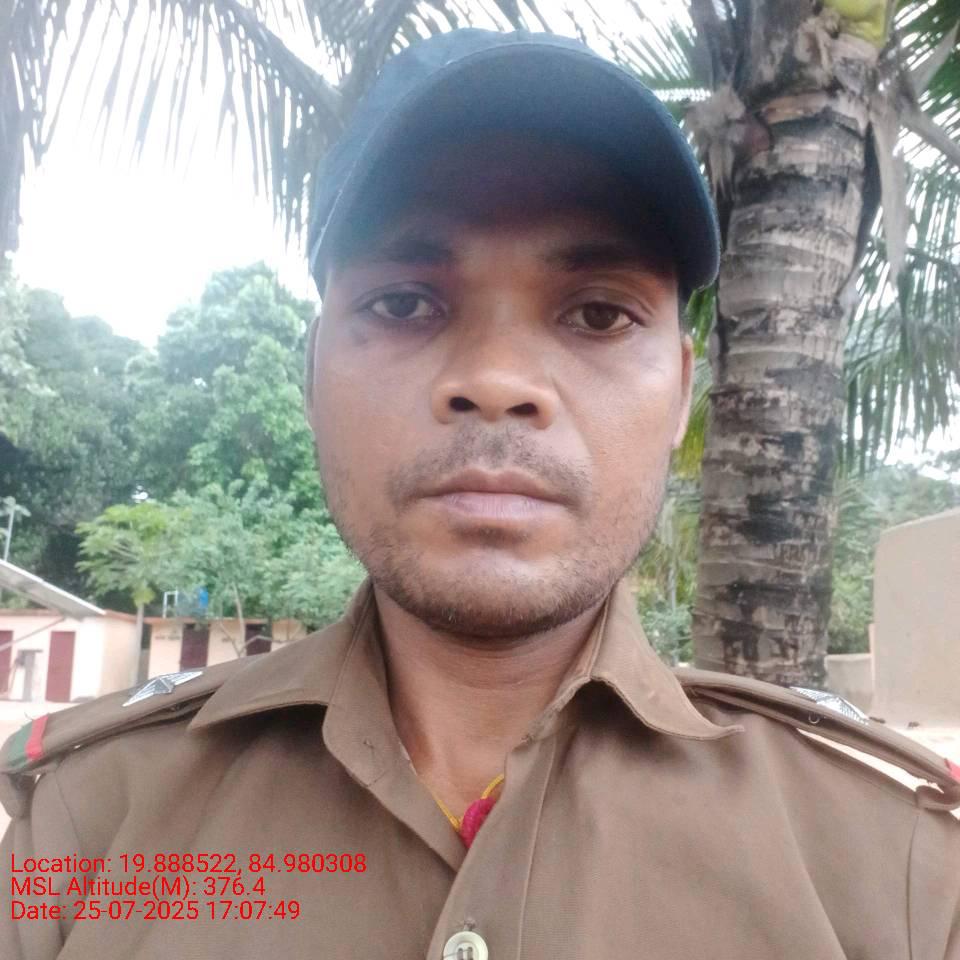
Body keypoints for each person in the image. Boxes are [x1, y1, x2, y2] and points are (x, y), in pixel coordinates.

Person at [2, 28, 958, 960]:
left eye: (598, 313)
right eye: (404, 303)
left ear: (680, 392)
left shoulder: (903, 872)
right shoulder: (83, 833)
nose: (497, 380)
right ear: (312, 375)